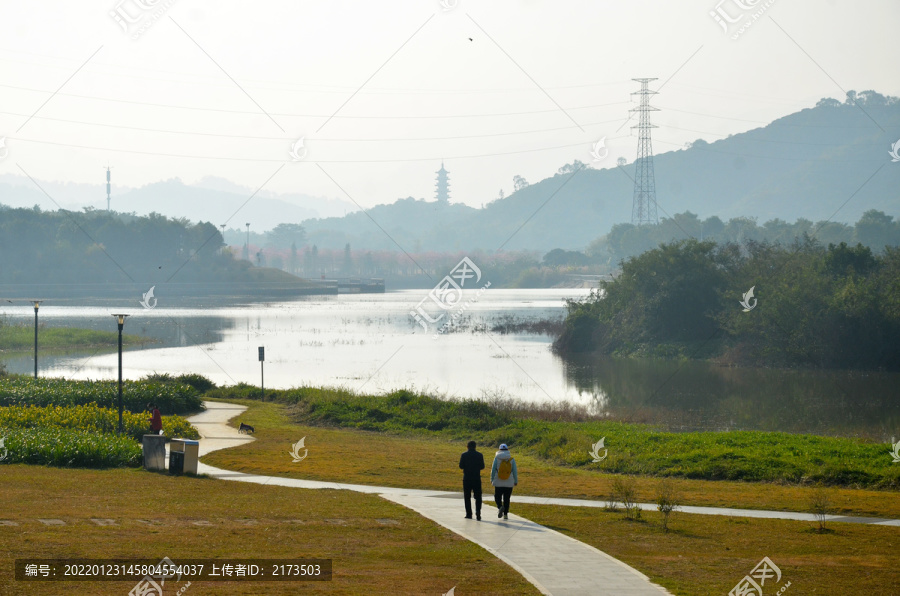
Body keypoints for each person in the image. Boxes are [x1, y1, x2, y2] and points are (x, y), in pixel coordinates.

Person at [458, 440, 485, 520]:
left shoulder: (464, 455)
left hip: (467, 478)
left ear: (467, 446)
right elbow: (482, 466)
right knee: (478, 496)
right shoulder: (480, 455)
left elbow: (461, 466)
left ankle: (469, 513)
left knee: (467, 496)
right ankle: (478, 512)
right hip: (476, 478)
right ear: (475, 446)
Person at [490, 443, 517, 520]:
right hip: (509, 481)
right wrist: (515, 480)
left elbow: (493, 470)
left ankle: (500, 506)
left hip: (498, 481)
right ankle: (505, 514)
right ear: (507, 450)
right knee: (507, 498)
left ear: (499, 449)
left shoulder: (496, 458)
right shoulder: (511, 459)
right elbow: (514, 471)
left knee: (497, 496)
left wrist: (492, 479)